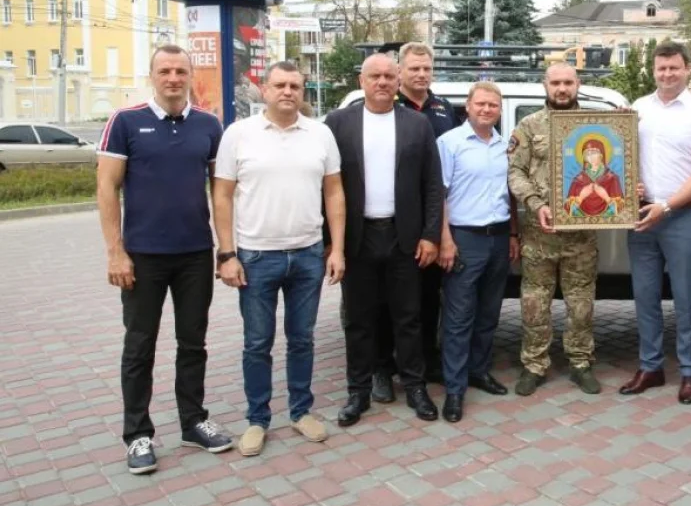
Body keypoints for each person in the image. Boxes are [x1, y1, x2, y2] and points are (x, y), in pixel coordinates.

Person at [97, 44, 231, 475]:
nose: (173, 78)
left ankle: (193, 421)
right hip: (142, 257)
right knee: (140, 346)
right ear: (152, 76)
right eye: (165, 71)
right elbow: (106, 188)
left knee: (193, 343)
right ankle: (138, 434)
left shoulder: (209, 125)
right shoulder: (125, 121)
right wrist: (116, 252)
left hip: (194, 254)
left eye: (180, 71)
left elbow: (222, 191)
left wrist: (225, 249)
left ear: (191, 76)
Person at [213, 61, 346, 457]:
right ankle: (257, 419)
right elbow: (222, 195)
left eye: (295, 86)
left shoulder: (320, 134)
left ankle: (301, 411)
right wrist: (227, 254)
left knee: (302, 339)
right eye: (280, 85)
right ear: (265, 89)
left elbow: (334, 193)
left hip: (308, 255)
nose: (288, 92)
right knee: (257, 343)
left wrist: (337, 249)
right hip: (256, 257)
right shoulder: (239, 134)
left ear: (303, 91)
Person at [324, 54, 444, 428]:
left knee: (408, 317)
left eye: (389, 76)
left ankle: (415, 387)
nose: (382, 82)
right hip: (357, 237)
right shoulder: (338, 123)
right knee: (359, 319)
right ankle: (358, 392)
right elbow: (324, 185)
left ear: (397, 82)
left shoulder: (416, 124)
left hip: (403, 237)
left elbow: (432, 184)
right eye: (374, 76)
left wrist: (430, 235)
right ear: (361, 80)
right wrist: (331, 243)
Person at [621, 42, 691, 404]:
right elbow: (622, 158)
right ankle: (651, 367)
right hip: (642, 216)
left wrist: (666, 205)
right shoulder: (637, 109)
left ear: (687, 69)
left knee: (686, 298)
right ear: (653, 70)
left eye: (674, 68)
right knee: (645, 296)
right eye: (661, 68)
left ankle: (690, 372)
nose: (667, 74)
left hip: (682, 216)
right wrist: (629, 182)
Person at [507, 63, 603, 397]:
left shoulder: (597, 124)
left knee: (581, 303)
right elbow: (515, 172)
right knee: (534, 302)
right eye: (555, 83)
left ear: (578, 84)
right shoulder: (529, 126)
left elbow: (615, 165)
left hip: (581, 236)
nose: (562, 88)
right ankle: (534, 364)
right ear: (545, 86)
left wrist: (626, 127)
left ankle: (580, 362)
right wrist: (535, 203)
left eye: (568, 82)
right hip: (539, 234)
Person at [373, 42, 460, 400]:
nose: (421, 74)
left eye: (426, 68)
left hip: (433, 219)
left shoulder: (445, 109)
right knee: (385, 301)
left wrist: (440, 231)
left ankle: (425, 360)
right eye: (414, 69)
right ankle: (382, 367)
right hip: (394, 221)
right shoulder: (386, 107)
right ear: (400, 71)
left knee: (427, 297)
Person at [437, 82, 520, 422]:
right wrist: (445, 239)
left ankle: (478, 371)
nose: (487, 109)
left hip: (498, 237)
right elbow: (439, 195)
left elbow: (510, 193)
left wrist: (513, 233)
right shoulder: (449, 143)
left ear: (499, 110)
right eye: (481, 104)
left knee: (489, 313)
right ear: (468, 106)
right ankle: (454, 389)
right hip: (463, 238)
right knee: (458, 318)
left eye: (493, 105)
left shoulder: (506, 146)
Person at [565, 139, 624, 217]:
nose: (591, 157)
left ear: (601, 155)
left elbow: (622, 211)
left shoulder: (612, 178)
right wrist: (581, 197)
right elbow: (567, 212)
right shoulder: (577, 180)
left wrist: (606, 197)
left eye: (594, 153)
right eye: (587, 154)